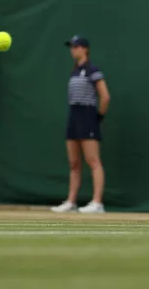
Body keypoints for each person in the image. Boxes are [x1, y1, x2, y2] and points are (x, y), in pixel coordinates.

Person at [51, 35, 111, 214]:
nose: (73, 50)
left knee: (93, 161)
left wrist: (97, 117)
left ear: (85, 49)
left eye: (76, 46)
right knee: (74, 163)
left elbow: (105, 97)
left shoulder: (93, 69)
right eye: (71, 47)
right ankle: (71, 202)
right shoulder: (74, 71)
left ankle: (97, 203)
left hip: (88, 116)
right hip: (74, 116)